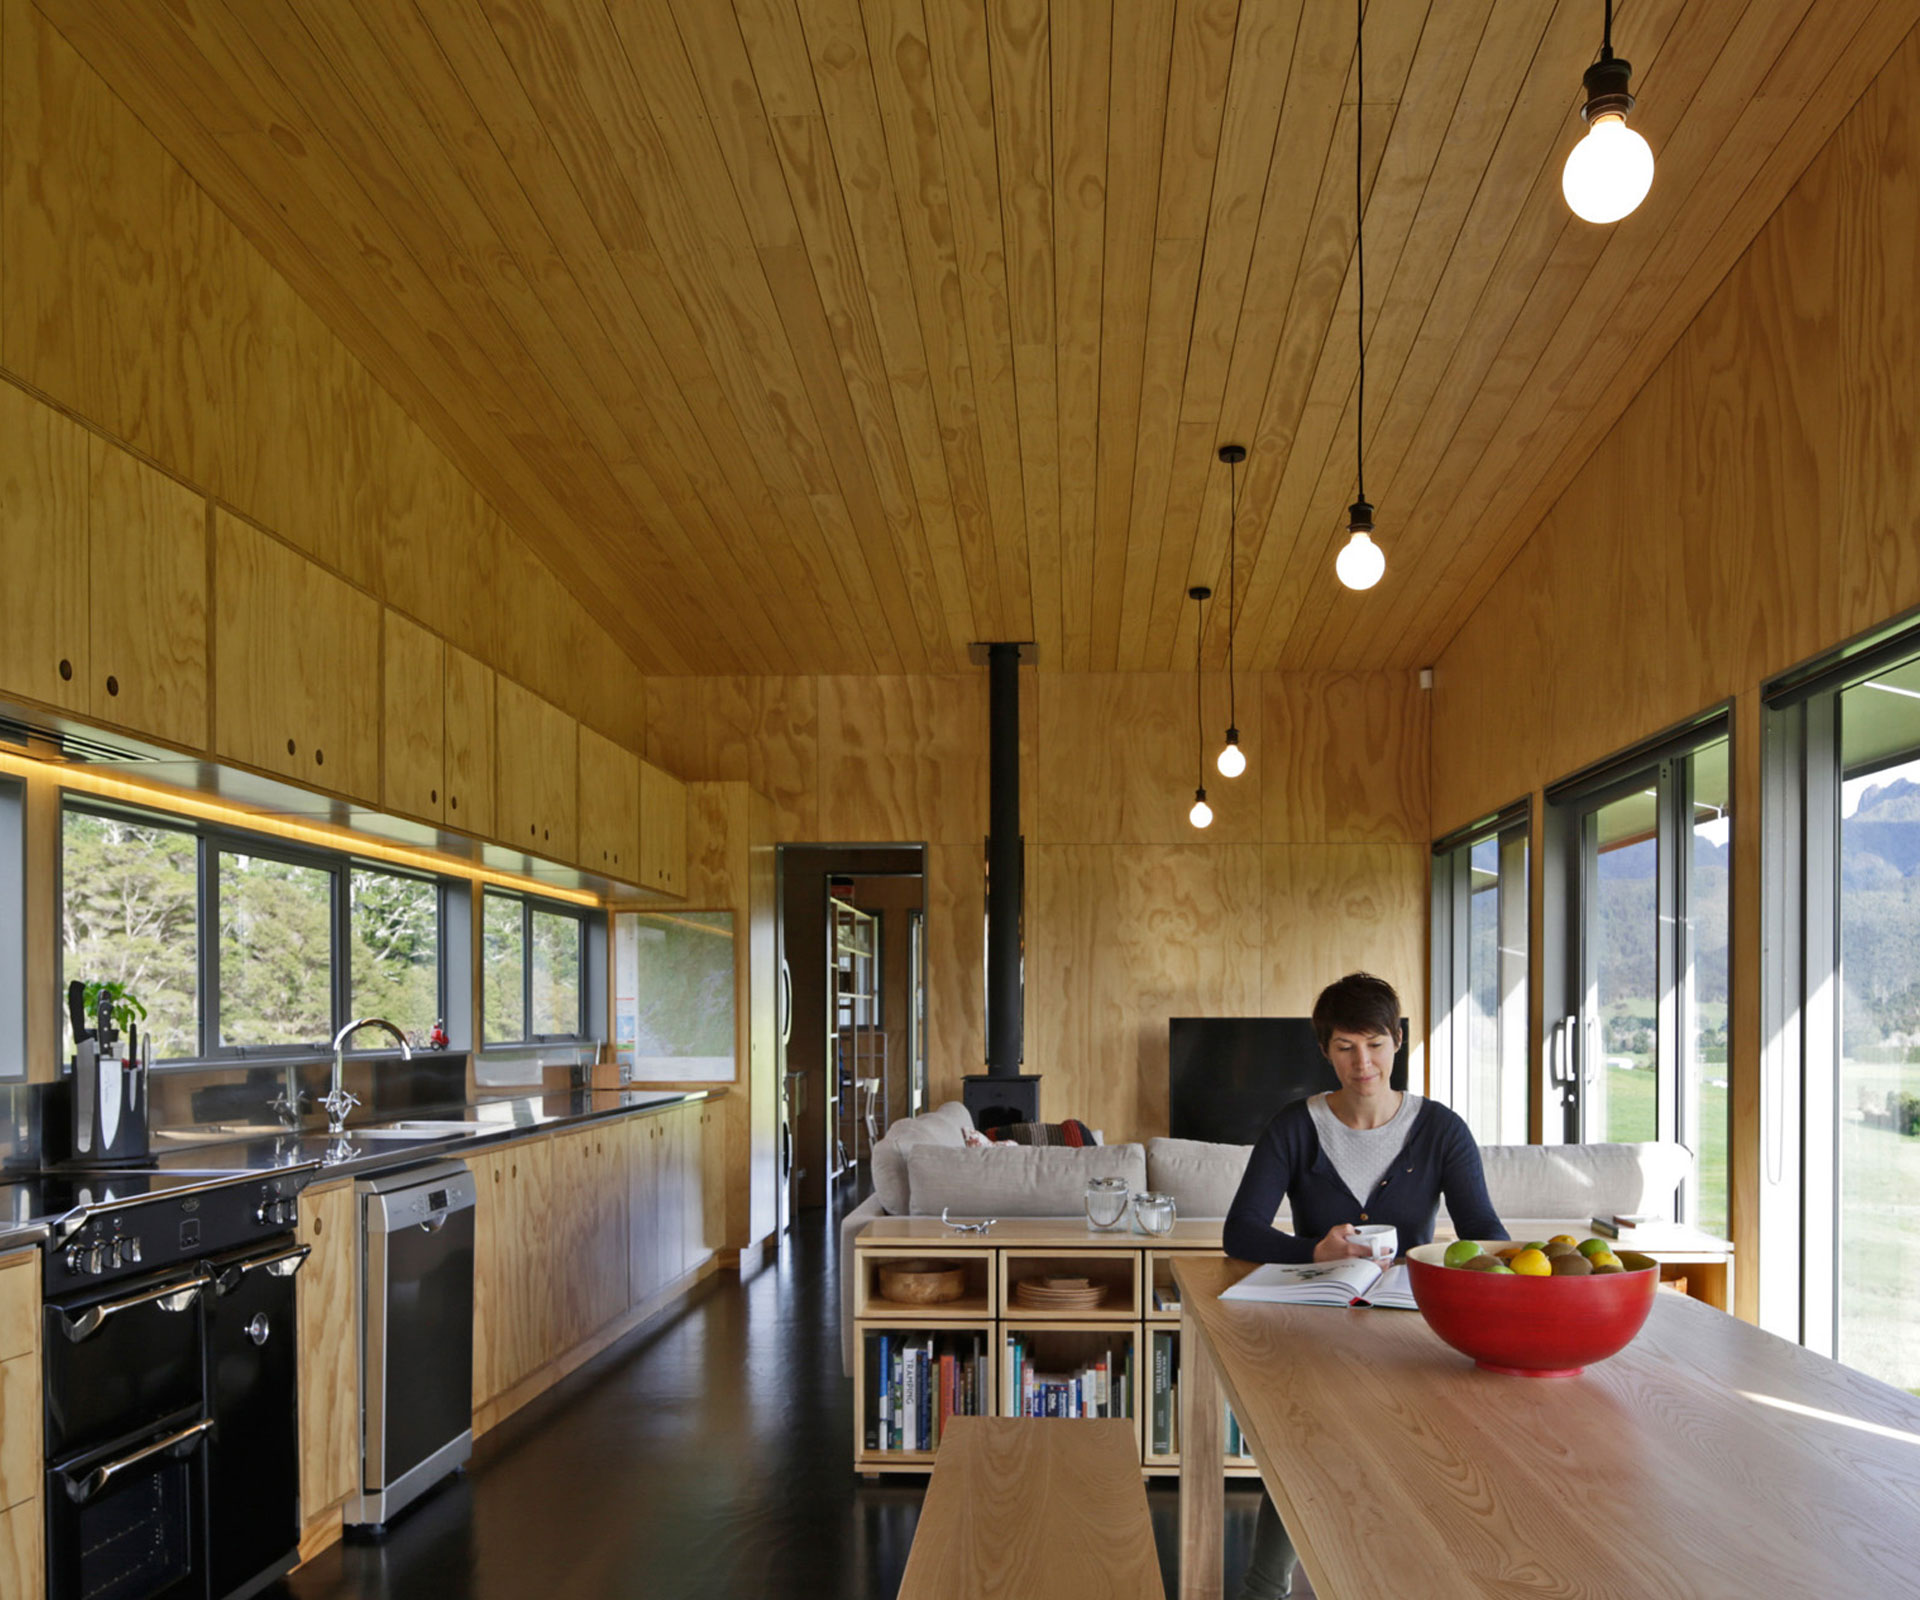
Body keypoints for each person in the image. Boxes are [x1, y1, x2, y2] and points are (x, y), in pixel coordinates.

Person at [1220, 972, 1507, 1600]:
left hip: (1409, 1324)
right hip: (1318, 1320)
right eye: (1346, 1046)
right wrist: (1312, 1249)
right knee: (1300, 1442)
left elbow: (1483, 1233)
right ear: (1324, 1049)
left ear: (1398, 1040)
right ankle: (1266, 1586)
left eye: (1375, 1043)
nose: (1363, 1062)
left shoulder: (1441, 1130)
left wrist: (1462, 1263)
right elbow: (1239, 1232)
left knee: (1425, 1458)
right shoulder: (1295, 1126)